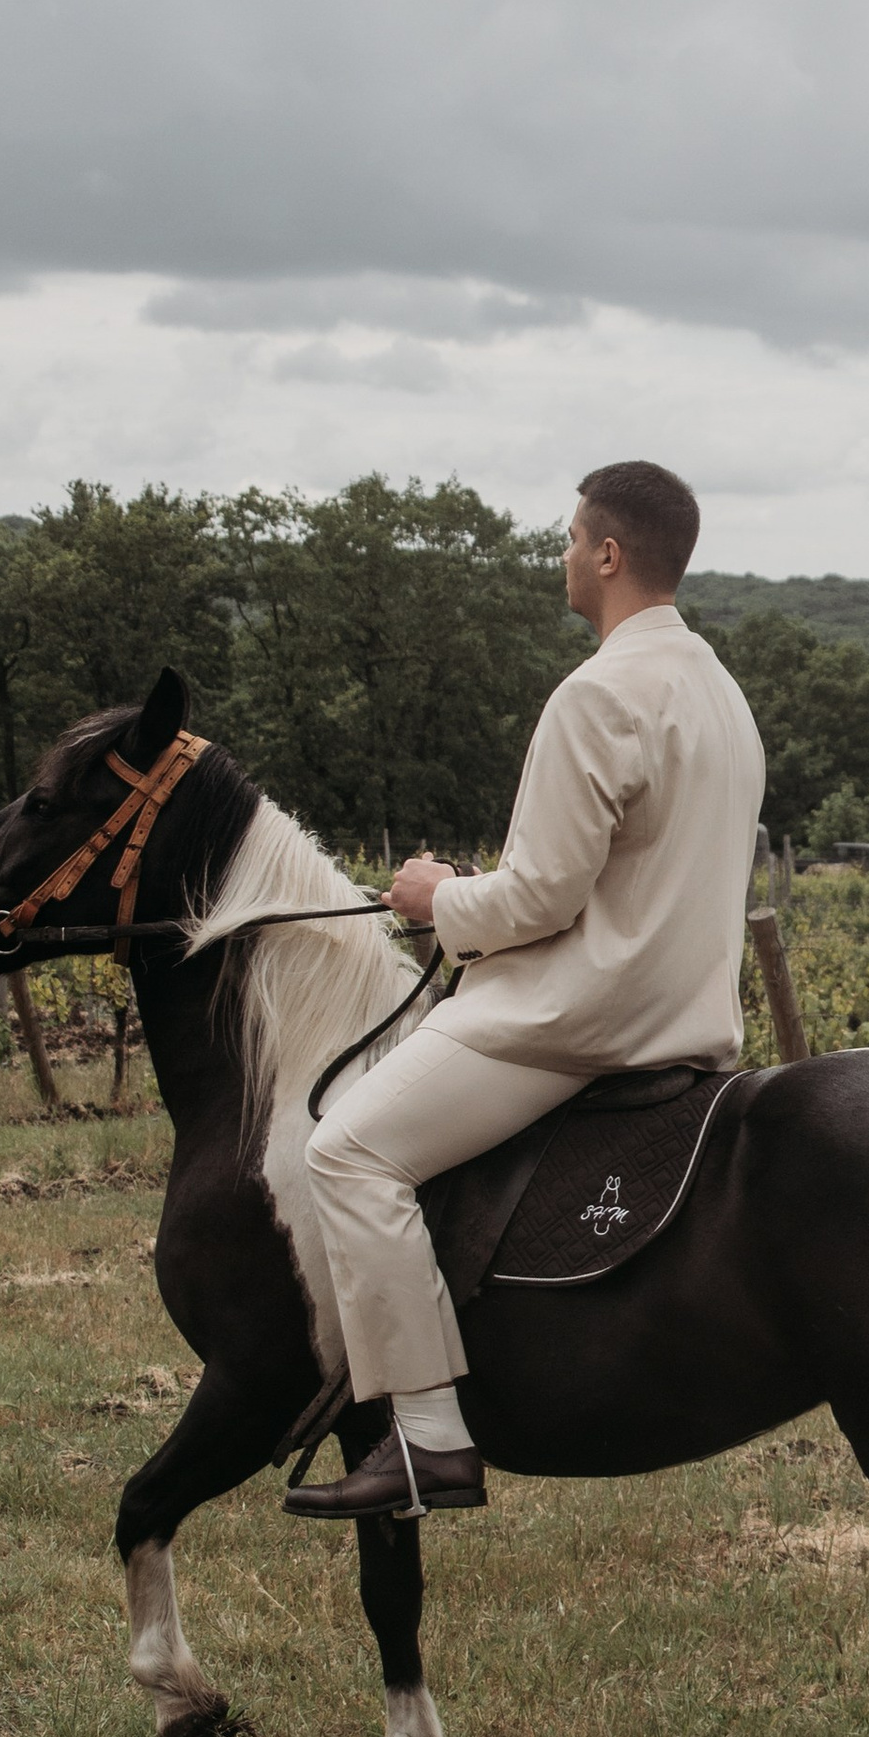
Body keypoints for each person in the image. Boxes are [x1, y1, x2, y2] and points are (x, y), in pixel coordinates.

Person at [286, 458, 767, 1522]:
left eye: (567, 539)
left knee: (347, 1152)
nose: (560, 557)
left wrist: (436, 897)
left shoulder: (599, 691)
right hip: (691, 1019)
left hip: (575, 1022)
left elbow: (545, 895)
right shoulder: (721, 696)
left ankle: (426, 1440)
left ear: (606, 553)